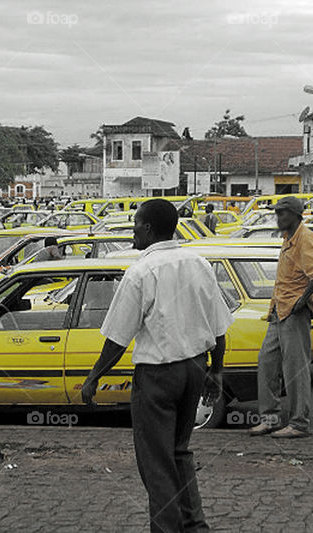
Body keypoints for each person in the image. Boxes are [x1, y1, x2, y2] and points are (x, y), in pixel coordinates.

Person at [82, 199, 232, 533]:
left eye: (136, 224)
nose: (132, 230)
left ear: (148, 228)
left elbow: (118, 338)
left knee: (156, 461)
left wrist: (94, 376)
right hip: (195, 367)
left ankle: (167, 527)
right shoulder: (199, 264)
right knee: (180, 452)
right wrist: (216, 371)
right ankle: (194, 524)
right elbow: (219, 326)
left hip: (158, 375)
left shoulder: (140, 272)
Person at [250, 196, 313, 438]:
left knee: (295, 369)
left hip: (293, 312)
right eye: (277, 213)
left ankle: (299, 423)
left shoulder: (305, 238)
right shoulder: (289, 238)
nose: (278, 218)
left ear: (295, 215)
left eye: (282, 213)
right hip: (279, 310)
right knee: (267, 363)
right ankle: (270, 419)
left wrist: (301, 300)